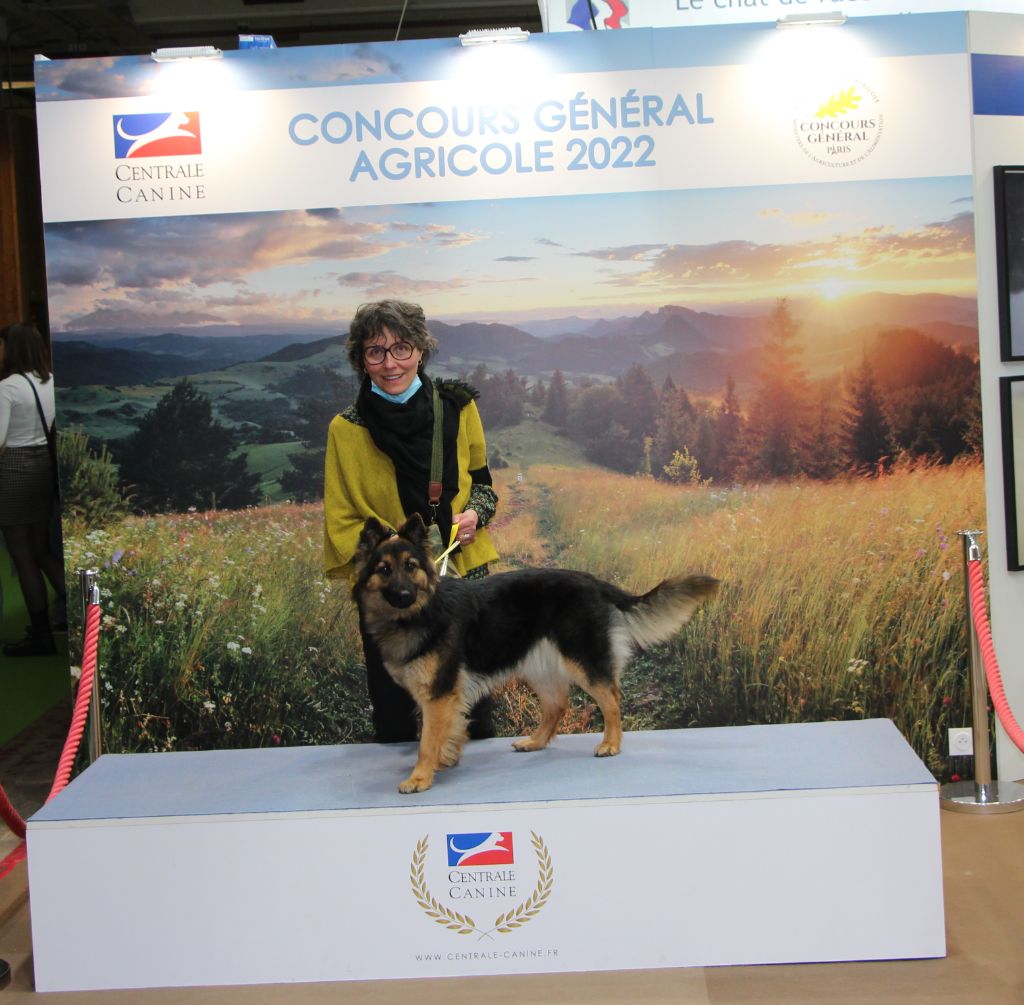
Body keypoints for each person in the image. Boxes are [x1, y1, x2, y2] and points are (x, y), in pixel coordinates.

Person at [324, 300, 500, 743]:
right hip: (394, 592)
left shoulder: (457, 408)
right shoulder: (346, 430)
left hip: (460, 581)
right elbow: (342, 520)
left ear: (421, 350)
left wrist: (476, 514)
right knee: (398, 713)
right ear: (361, 361)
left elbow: (483, 483)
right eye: (375, 351)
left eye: (402, 348)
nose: (390, 363)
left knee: (470, 706)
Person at [0, 322, 66, 658]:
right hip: (42, 467)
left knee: (22, 555)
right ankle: (69, 611)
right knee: (41, 550)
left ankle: (41, 634)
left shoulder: (9, 387)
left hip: (13, 471)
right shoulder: (49, 381)